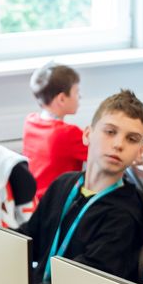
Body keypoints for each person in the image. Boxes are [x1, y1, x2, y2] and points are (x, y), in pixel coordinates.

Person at [19, 91, 143, 284]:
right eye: (110, 132)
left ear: (140, 151)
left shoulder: (127, 215)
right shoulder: (64, 185)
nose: (118, 144)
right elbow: (28, 239)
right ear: (87, 135)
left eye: (132, 139)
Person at [23, 61, 85, 194]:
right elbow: (101, 152)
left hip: (34, 199)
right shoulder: (68, 134)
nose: (80, 97)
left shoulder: (30, 121)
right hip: (58, 201)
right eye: (76, 92)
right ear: (62, 99)